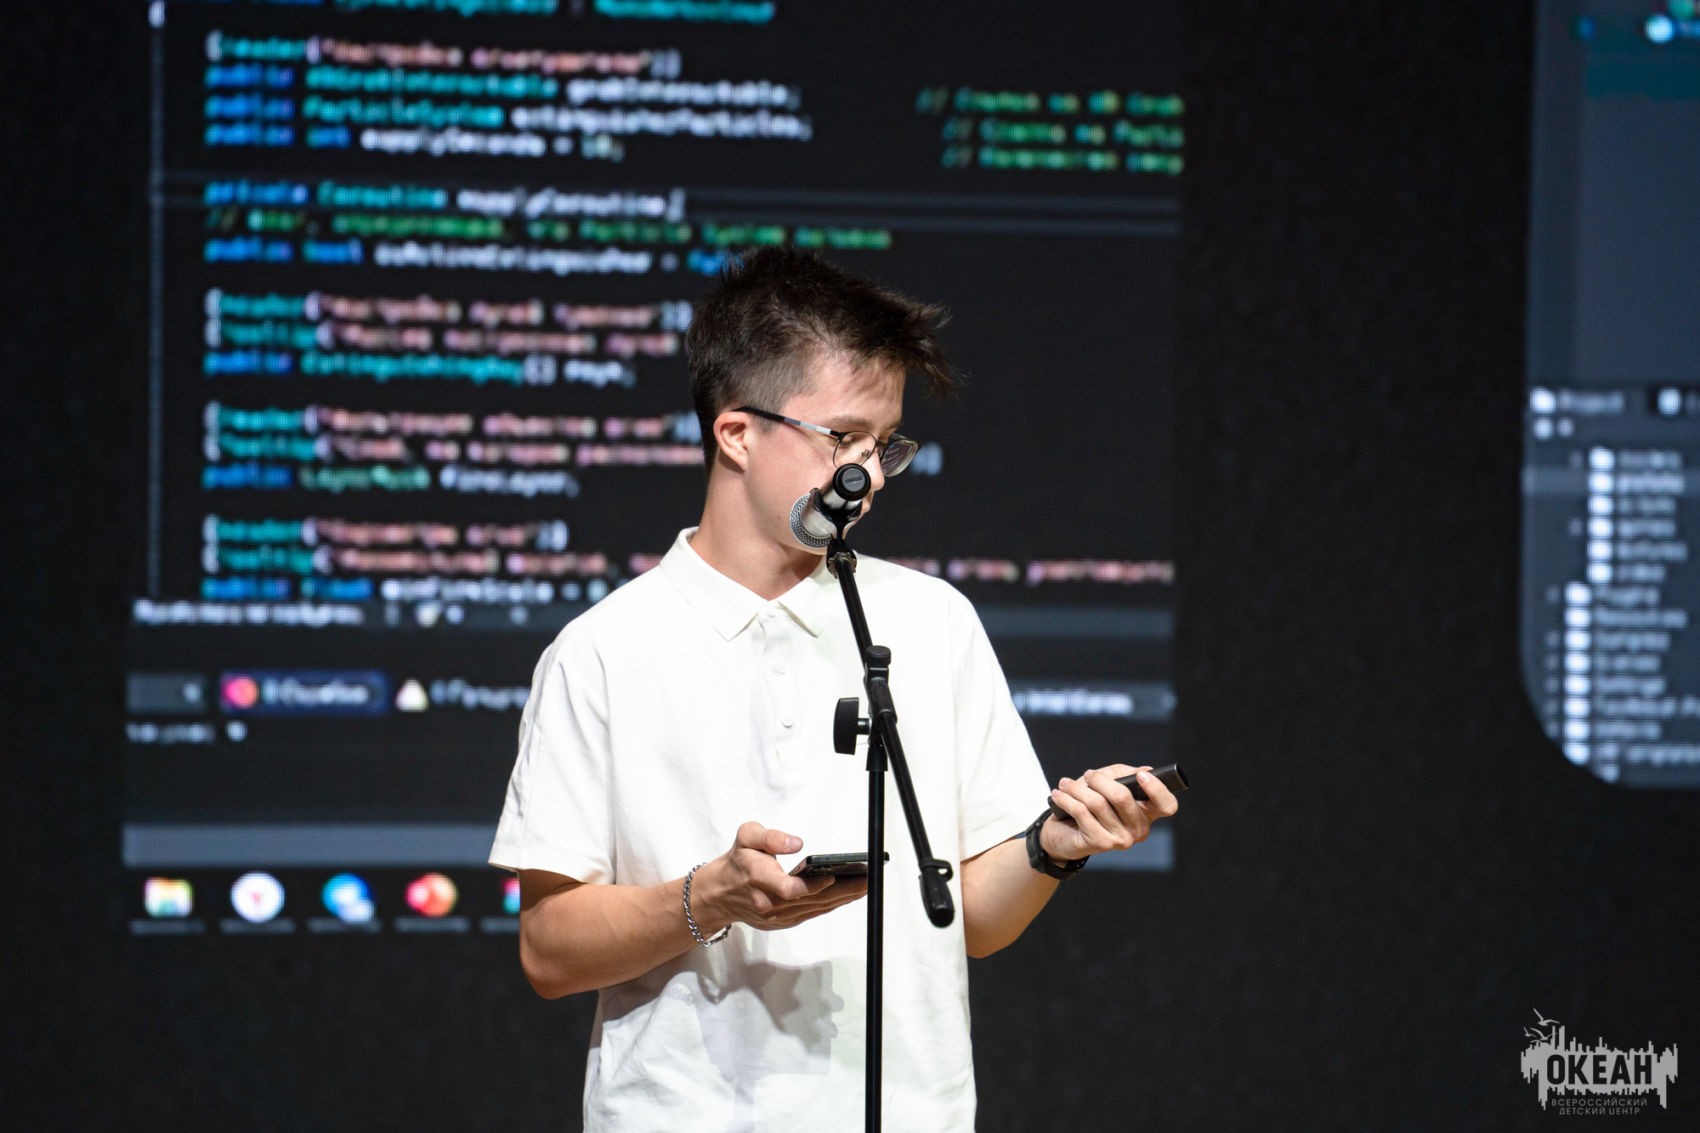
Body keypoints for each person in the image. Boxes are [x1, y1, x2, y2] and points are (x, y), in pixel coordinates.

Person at [490, 247, 1178, 1131]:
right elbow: (549, 951)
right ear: (736, 434)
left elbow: (972, 920)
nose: (872, 474)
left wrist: (1056, 844)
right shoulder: (603, 649)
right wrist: (710, 896)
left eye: (884, 444)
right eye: (843, 439)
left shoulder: (932, 620)